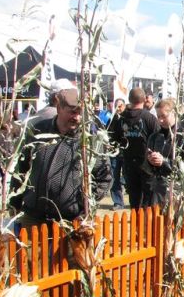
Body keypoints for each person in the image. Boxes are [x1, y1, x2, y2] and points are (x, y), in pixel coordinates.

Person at [11, 88, 112, 225]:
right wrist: (14, 202)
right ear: (59, 108)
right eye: (72, 112)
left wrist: (85, 205)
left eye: (80, 113)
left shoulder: (90, 141)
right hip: (34, 216)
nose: (76, 117)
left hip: (71, 220)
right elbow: (21, 168)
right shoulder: (37, 132)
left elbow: (105, 177)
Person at [145, 98, 184, 207]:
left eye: (164, 116)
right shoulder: (154, 137)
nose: (160, 120)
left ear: (174, 113)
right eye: (158, 117)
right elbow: (147, 167)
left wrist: (163, 161)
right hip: (159, 189)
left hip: (180, 188)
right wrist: (150, 160)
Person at [113, 87, 160, 208]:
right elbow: (159, 140)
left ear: (129, 99)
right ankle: (145, 225)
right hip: (147, 164)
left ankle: (137, 224)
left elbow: (114, 139)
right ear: (144, 99)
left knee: (134, 200)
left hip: (128, 163)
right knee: (148, 201)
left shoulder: (120, 118)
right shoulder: (150, 118)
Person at [107, 98, 126, 210]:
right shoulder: (112, 120)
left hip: (126, 152)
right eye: (116, 106)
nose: (118, 108)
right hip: (114, 153)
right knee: (114, 176)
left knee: (128, 176)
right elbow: (108, 133)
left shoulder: (127, 119)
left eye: (120, 106)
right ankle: (118, 202)